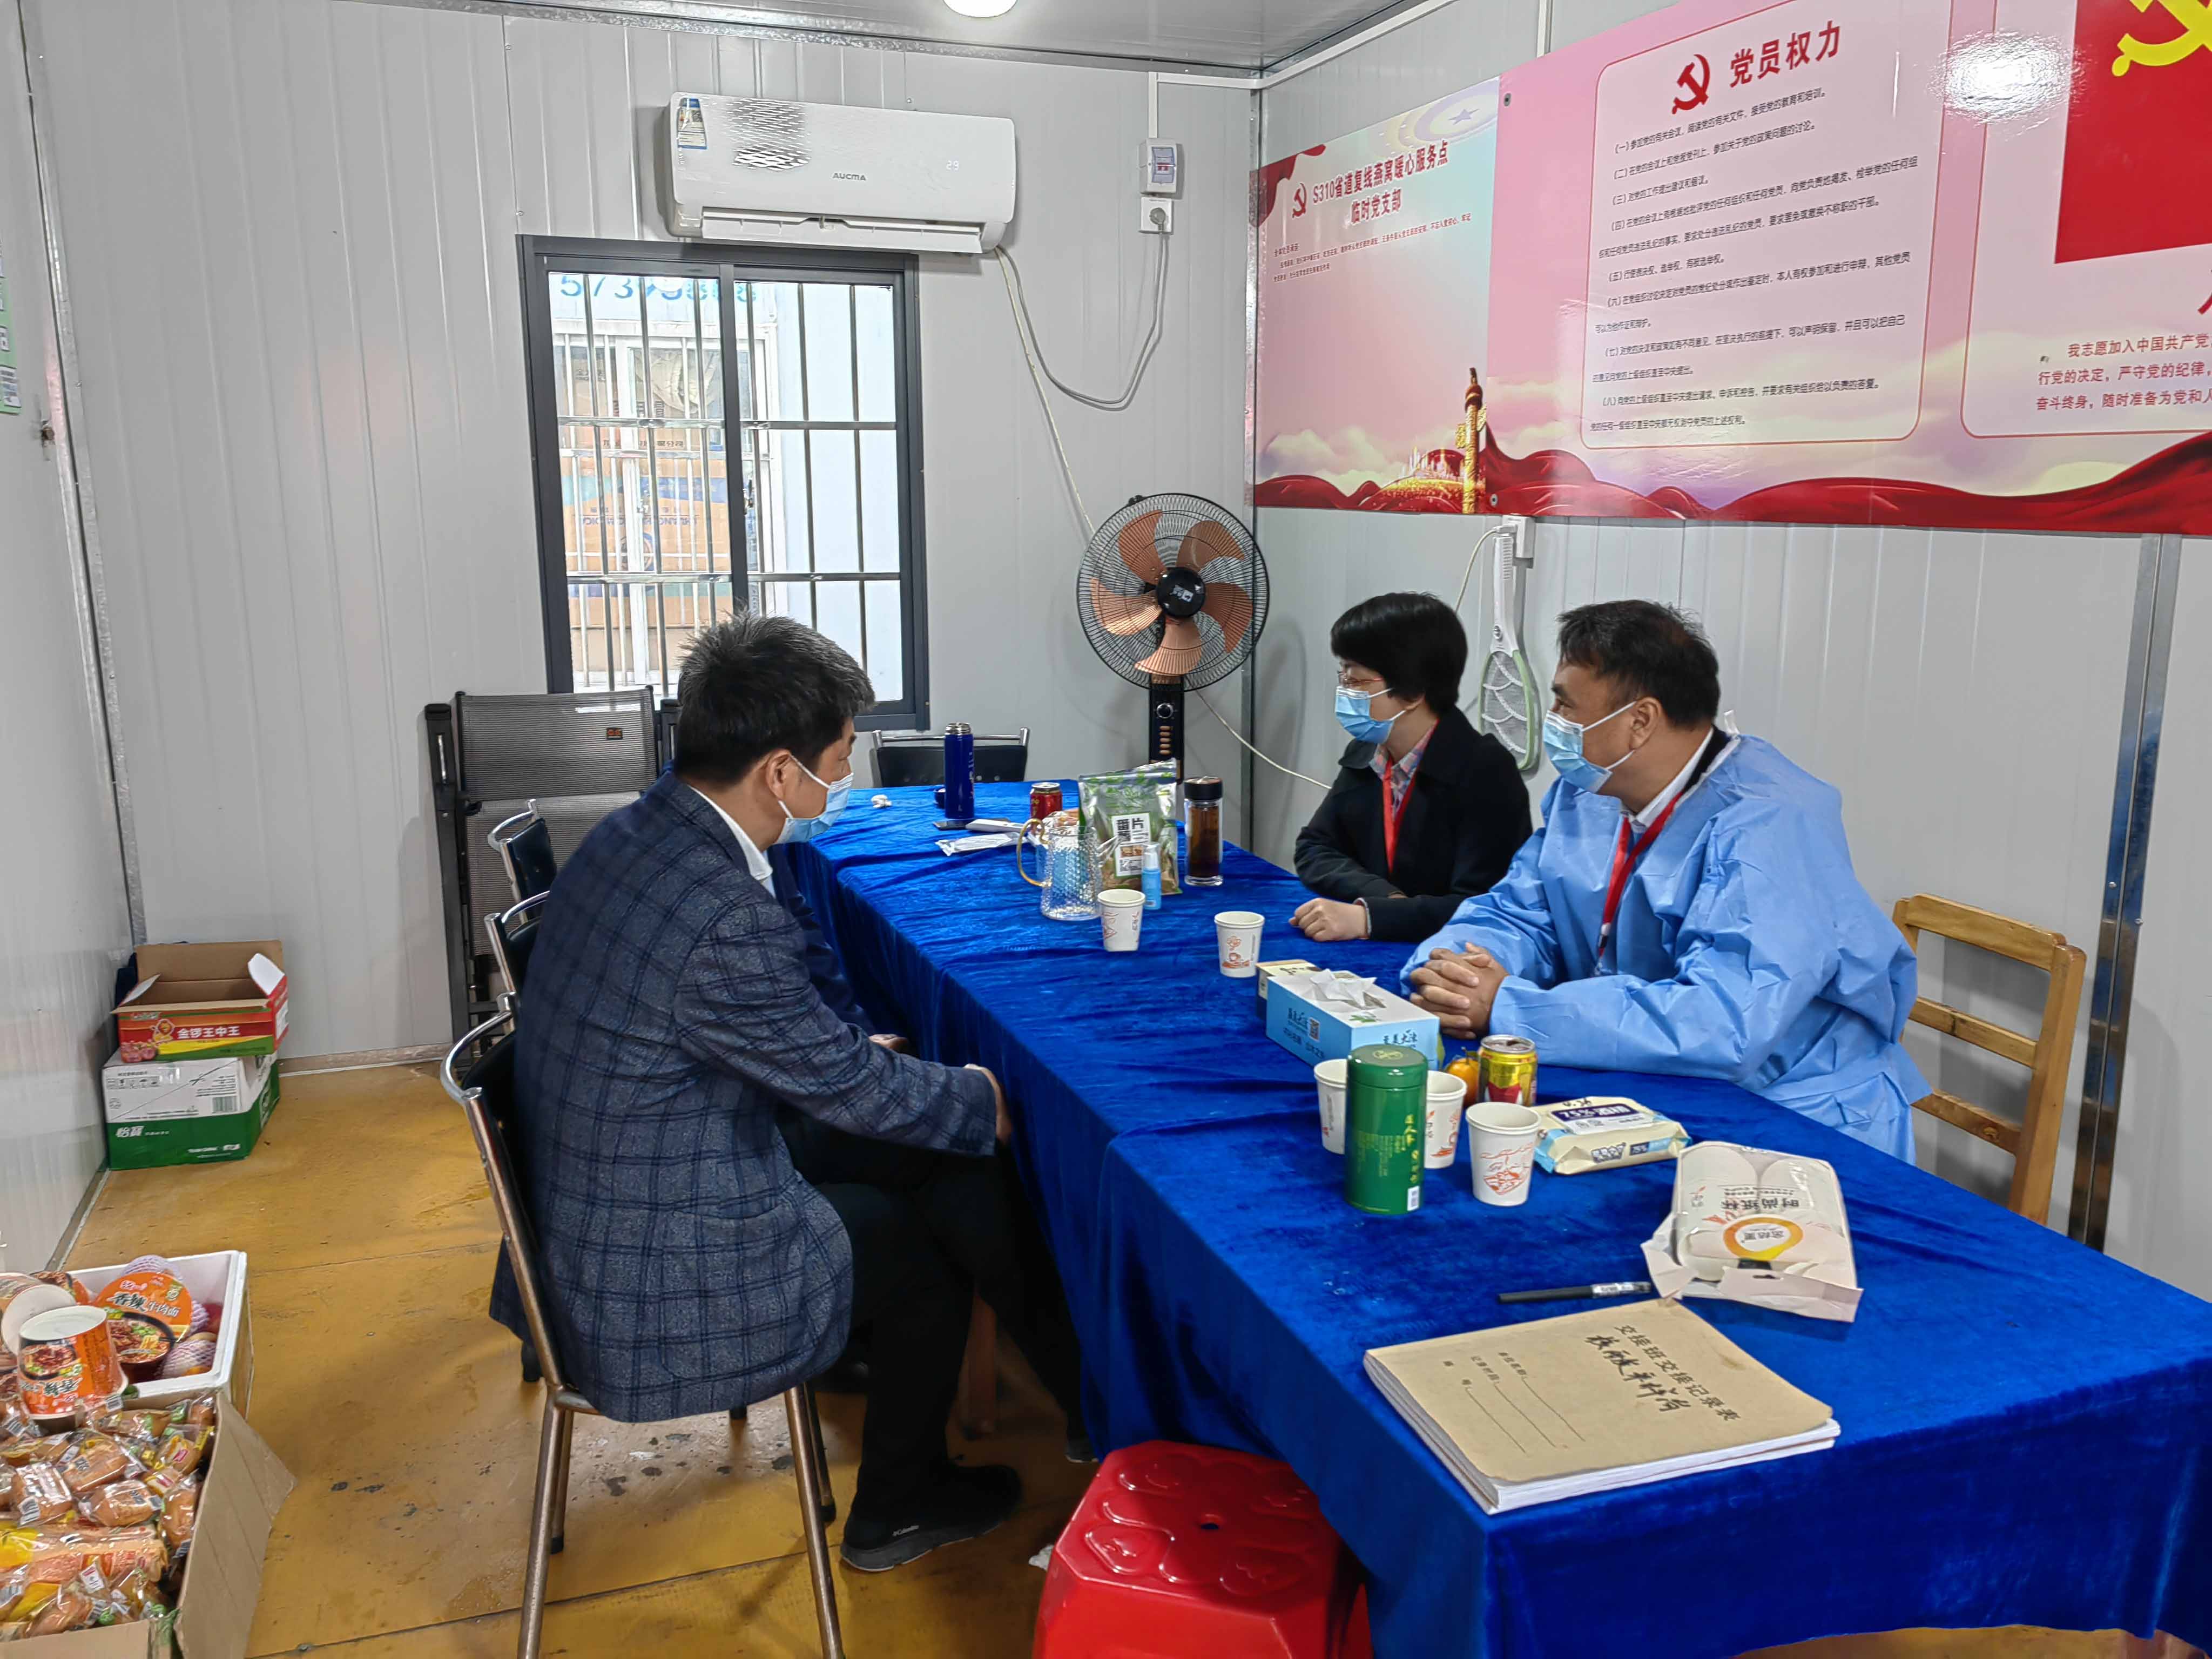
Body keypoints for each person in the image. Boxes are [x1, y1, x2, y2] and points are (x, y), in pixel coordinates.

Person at [503, 615, 1049, 1574]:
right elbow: (842, 1080)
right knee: (926, 1237)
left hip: (618, 1185)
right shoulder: (721, 911)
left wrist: (880, 1071)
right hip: (657, 1271)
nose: (843, 783)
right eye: (839, 763)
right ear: (780, 772)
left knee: (937, 1160)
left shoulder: (637, 833)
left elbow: (792, 1047)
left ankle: (1062, 1366)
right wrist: (976, 1098)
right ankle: (904, 1502)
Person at [1404, 600, 1926, 1158]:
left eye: (1564, 703)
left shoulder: (1771, 826)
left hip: (1793, 1118)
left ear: (1640, 721)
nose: (1552, 719)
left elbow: (1724, 1024)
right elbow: (1521, 912)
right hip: (1656, 1086)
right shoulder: (1591, 791)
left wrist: (1511, 1009)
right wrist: (1454, 971)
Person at [1292, 592, 1533, 942]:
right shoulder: (1368, 751)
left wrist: (1371, 918)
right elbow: (1314, 847)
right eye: (1343, 676)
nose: (1344, 692)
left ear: (1414, 691)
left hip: (1450, 957)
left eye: (1356, 681)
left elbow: (1485, 905)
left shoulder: (1485, 770)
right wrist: (1384, 899)